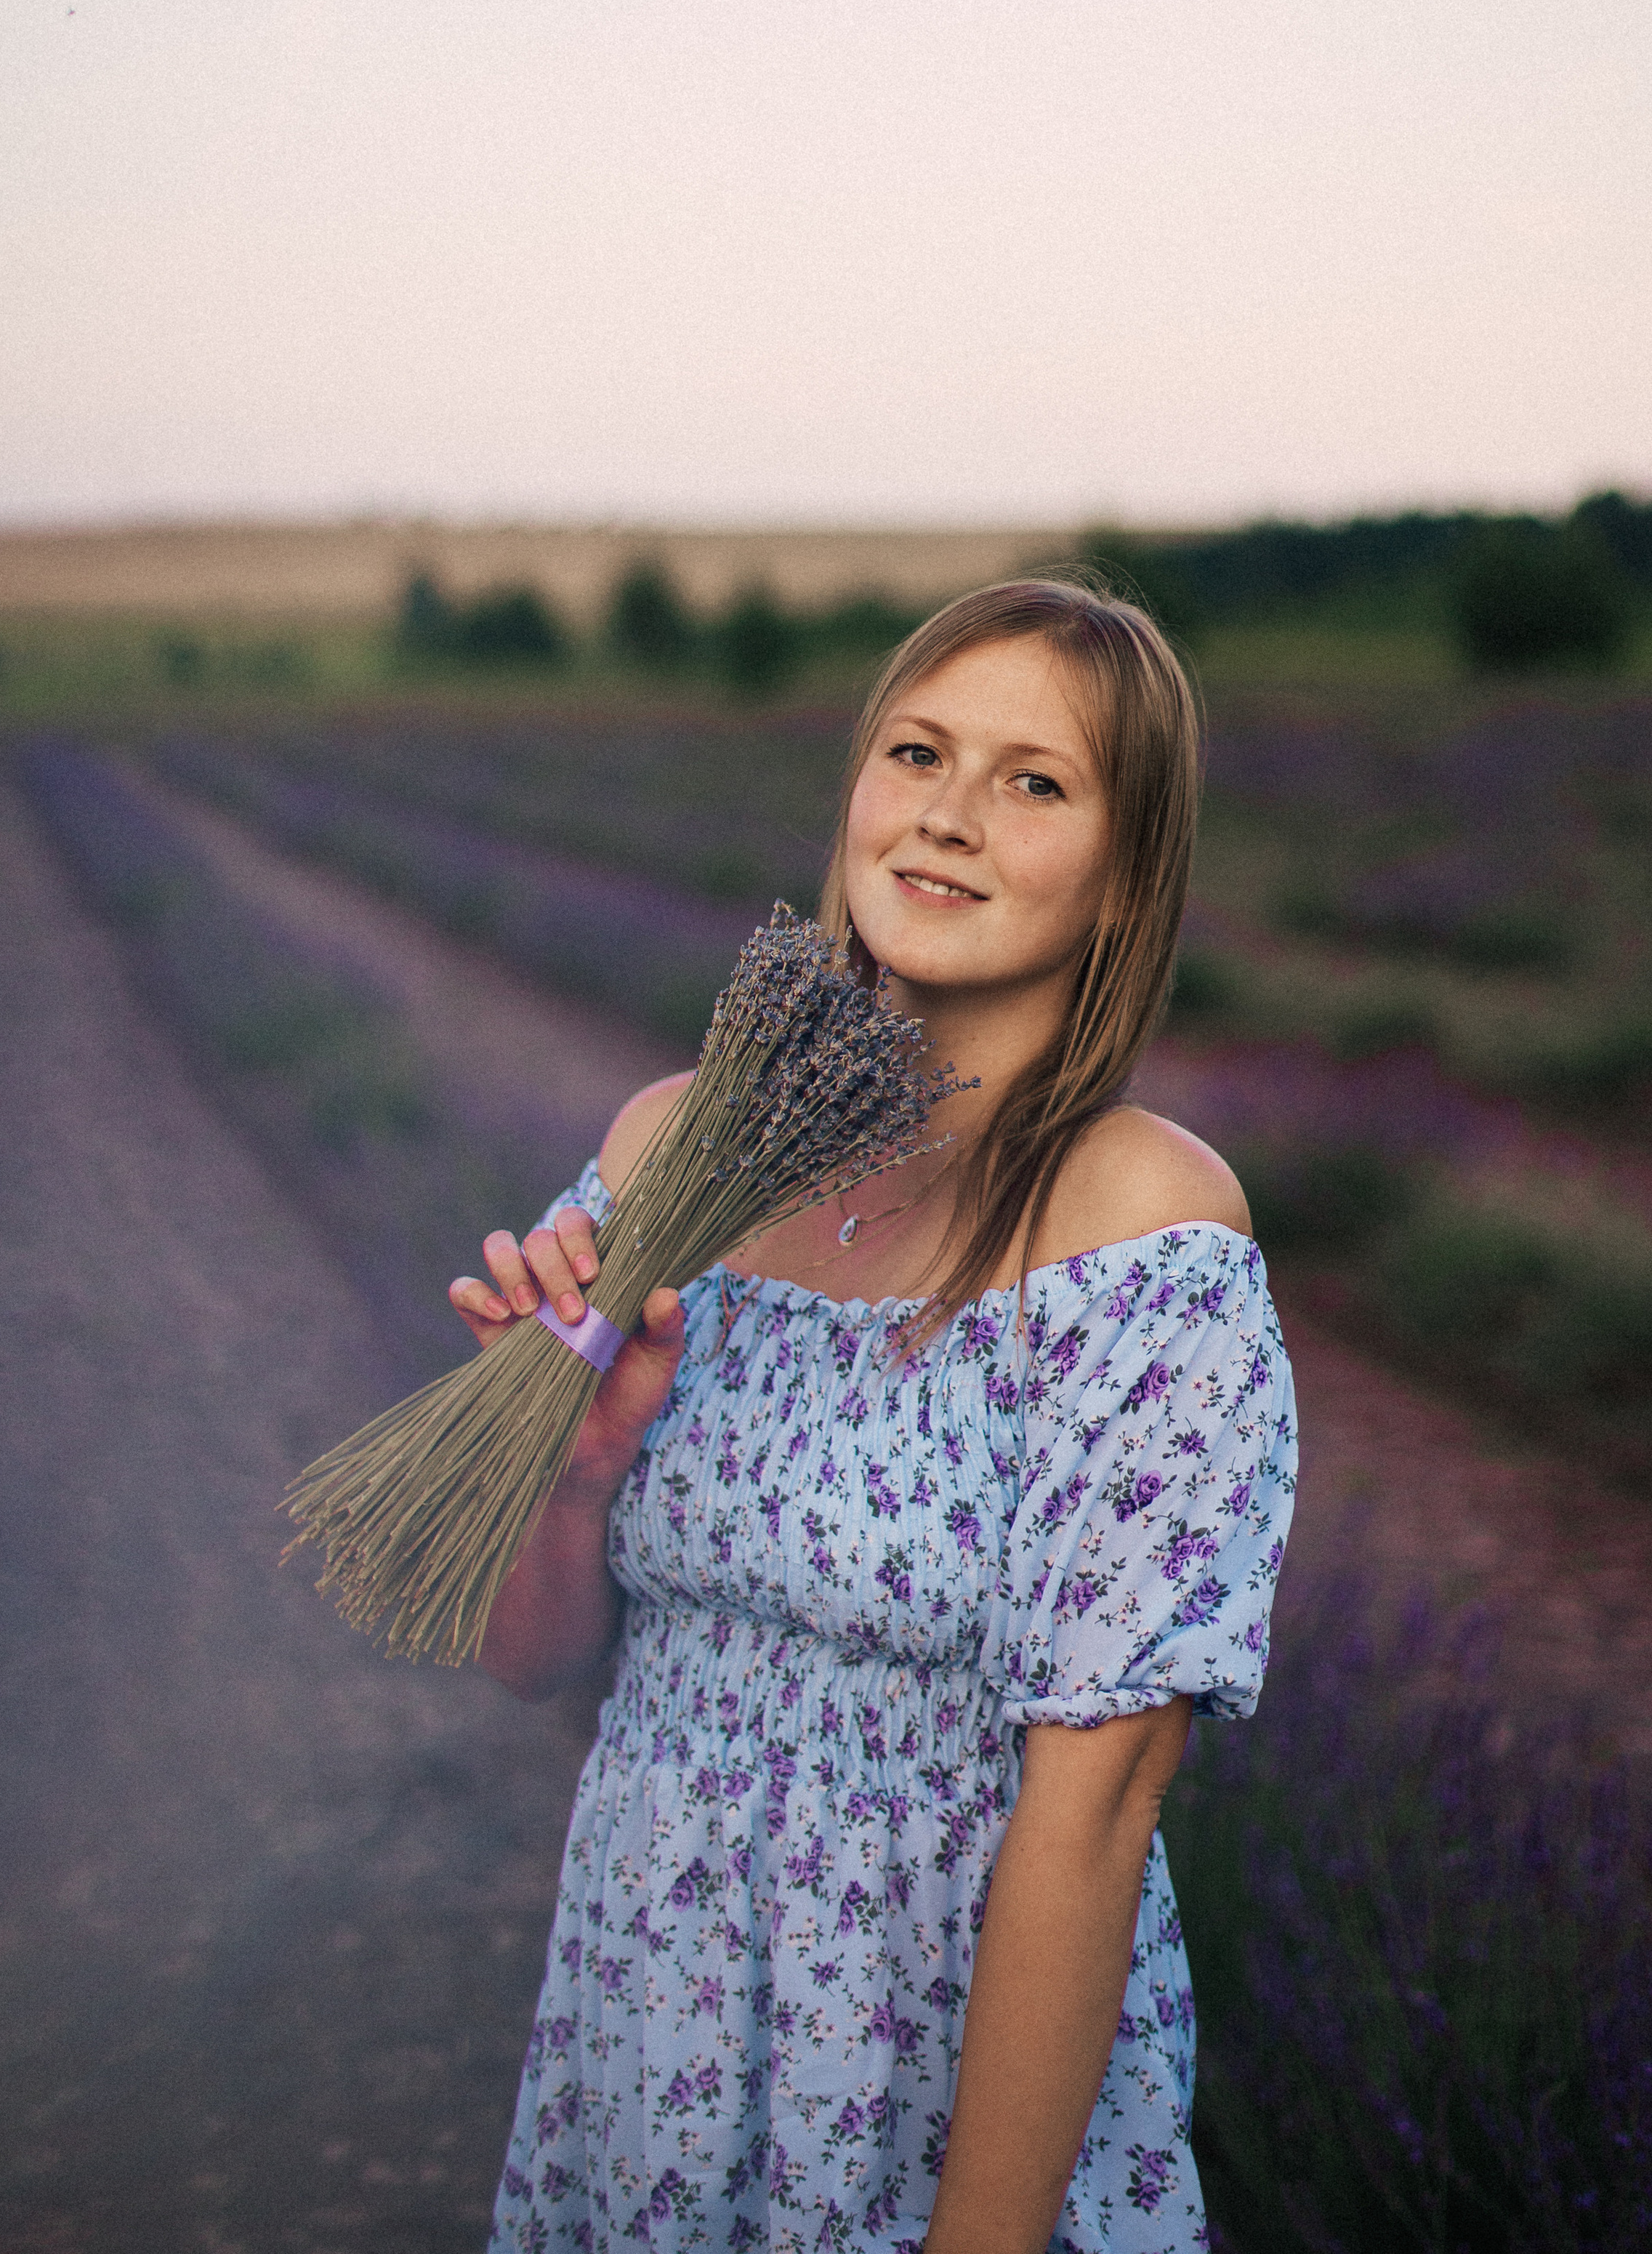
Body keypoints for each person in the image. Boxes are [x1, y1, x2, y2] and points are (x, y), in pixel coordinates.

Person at [452, 579, 1297, 2254]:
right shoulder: (669, 1152)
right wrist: (575, 1469)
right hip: (645, 2034)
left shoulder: (1143, 1232)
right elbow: (528, 1659)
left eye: (1032, 782)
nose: (947, 815)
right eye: (916, 752)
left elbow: (1093, 1818)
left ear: (1124, 873)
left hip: (930, 2082)